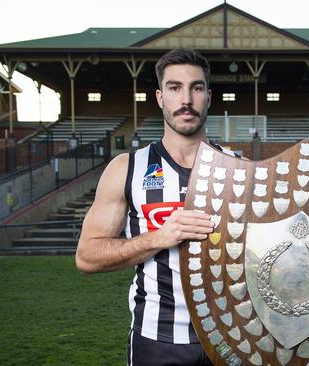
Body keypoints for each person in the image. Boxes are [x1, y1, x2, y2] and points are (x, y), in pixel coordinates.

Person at [76, 48, 236, 366]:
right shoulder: (127, 167)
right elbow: (87, 257)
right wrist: (159, 238)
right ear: (161, 97)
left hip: (232, 338)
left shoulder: (239, 168)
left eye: (197, 88)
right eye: (175, 88)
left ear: (208, 96)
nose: (186, 99)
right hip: (158, 339)